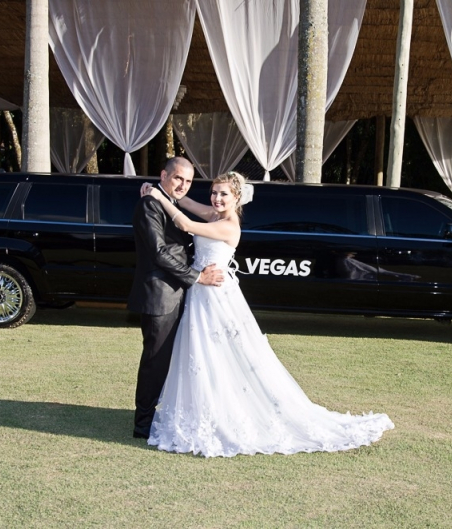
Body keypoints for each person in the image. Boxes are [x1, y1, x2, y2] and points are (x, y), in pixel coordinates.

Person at [139, 171, 394, 457]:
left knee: (223, 352)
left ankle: (230, 414)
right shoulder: (213, 214)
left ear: (237, 197)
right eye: (214, 192)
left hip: (216, 295)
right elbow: (185, 202)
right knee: (202, 354)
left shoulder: (229, 226)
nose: (217, 198)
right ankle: (206, 409)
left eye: (224, 193)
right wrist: (161, 189)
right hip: (200, 292)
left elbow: (184, 223)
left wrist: (158, 197)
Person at [128, 157, 224, 439]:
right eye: (177, 178)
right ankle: (142, 425)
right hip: (160, 296)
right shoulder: (149, 205)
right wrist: (197, 276)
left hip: (181, 295)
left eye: (189, 181)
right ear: (164, 175)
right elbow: (159, 253)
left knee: (174, 359)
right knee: (155, 360)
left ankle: (162, 414)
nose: (182, 185)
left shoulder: (168, 202)